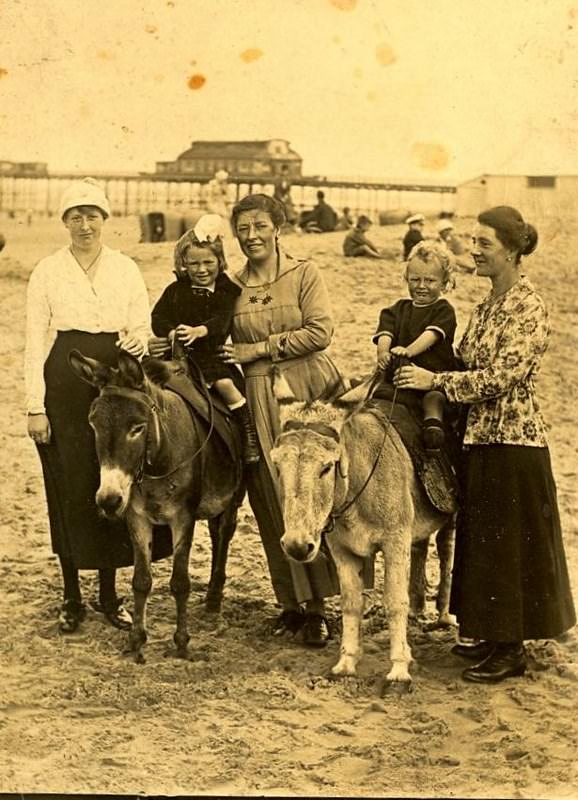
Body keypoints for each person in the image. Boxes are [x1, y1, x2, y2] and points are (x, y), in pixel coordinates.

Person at [396, 205, 576, 683]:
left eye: (484, 245)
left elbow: (500, 377)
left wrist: (435, 380)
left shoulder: (527, 306)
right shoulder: (487, 305)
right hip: (478, 436)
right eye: (472, 242)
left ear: (514, 251)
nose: (472, 251)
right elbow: (462, 358)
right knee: (486, 541)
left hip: (514, 440)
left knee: (509, 545)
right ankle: (491, 636)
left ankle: (510, 649)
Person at [24, 178, 171, 634]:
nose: (84, 224)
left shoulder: (124, 267)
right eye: (74, 216)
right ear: (64, 222)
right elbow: (33, 340)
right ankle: (72, 595)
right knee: (69, 482)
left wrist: (134, 338)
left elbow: (141, 324)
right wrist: (36, 406)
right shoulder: (47, 270)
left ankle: (110, 595)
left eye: (92, 215)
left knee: (115, 481)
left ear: (105, 220)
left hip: (117, 373)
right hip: (66, 381)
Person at [221, 193, 346, 646]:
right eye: (243, 228)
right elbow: (213, 336)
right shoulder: (230, 284)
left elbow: (321, 331)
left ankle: (321, 608)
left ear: (278, 228)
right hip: (258, 397)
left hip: (309, 388)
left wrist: (258, 349)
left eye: (260, 226)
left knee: (312, 492)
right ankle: (291, 605)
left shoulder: (304, 273)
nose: (251, 236)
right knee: (272, 497)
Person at [150, 214, 260, 464]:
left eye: (208, 262)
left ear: (220, 262)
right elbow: (158, 316)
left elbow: (222, 321)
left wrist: (201, 331)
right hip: (178, 354)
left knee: (225, 385)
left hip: (210, 355)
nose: (202, 270)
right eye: (194, 264)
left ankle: (247, 431)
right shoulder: (175, 290)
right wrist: (169, 333)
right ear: (184, 265)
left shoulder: (224, 291)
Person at [373, 241, 457, 451]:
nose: (421, 286)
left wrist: (408, 350)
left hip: (430, 376)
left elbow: (431, 335)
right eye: (415, 280)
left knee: (434, 398)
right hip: (400, 376)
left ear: (444, 282)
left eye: (430, 280)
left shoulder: (443, 310)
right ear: (406, 279)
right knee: (376, 392)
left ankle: (433, 427)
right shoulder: (397, 309)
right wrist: (383, 352)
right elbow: (386, 332)